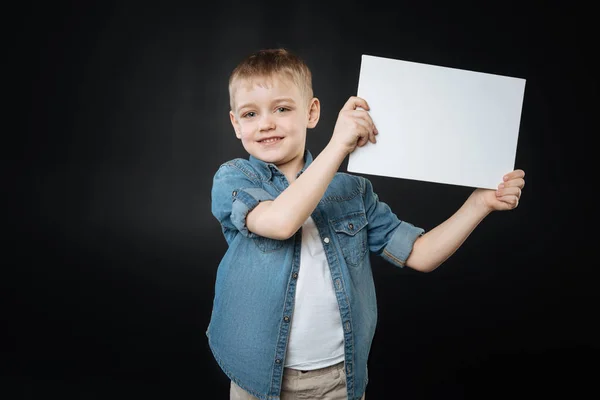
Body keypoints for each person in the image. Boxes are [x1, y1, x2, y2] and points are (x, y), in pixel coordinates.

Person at [207, 48, 525, 400]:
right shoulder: (234, 177)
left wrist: (479, 203)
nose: (266, 123)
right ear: (236, 123)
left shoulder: (353, 192)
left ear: (312, 113)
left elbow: (421, 255)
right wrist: (338, 146)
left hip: (339, 378)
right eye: (251, 114)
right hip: (257, 377)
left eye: (282, 109)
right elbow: (282, 222)